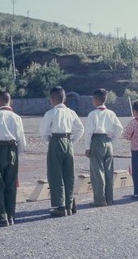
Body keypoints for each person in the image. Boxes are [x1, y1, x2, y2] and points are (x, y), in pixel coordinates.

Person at [0, 90, 26, 227]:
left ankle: (0, 216)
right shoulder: (17, 117)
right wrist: (17, 156)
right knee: (11, 184)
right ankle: (10, 215)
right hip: (13, 149)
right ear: (10, 101)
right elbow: (22, 141)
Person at [39, 86, 84, 217]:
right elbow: (80, 129)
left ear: (52, 99)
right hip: (68, 141)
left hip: (56, 141)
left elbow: (43, 131)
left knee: (55, 174)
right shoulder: (71, 112)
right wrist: (72, 141)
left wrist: (51, 141)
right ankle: (69, 205)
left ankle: (60, 206)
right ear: (64, 98)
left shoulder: (50, 113)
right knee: (69, 174)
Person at [84, 88, 123, 207]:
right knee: (108, 171)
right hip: (108, 141)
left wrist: (87, 147)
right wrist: (112, 140)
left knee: (97, 172)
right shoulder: (111, 113)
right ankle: (109, 198)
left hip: (97, 141)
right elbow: (119, 128)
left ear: (96, 100)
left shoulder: (93, 114)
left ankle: (100, 200)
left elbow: (88, 132)